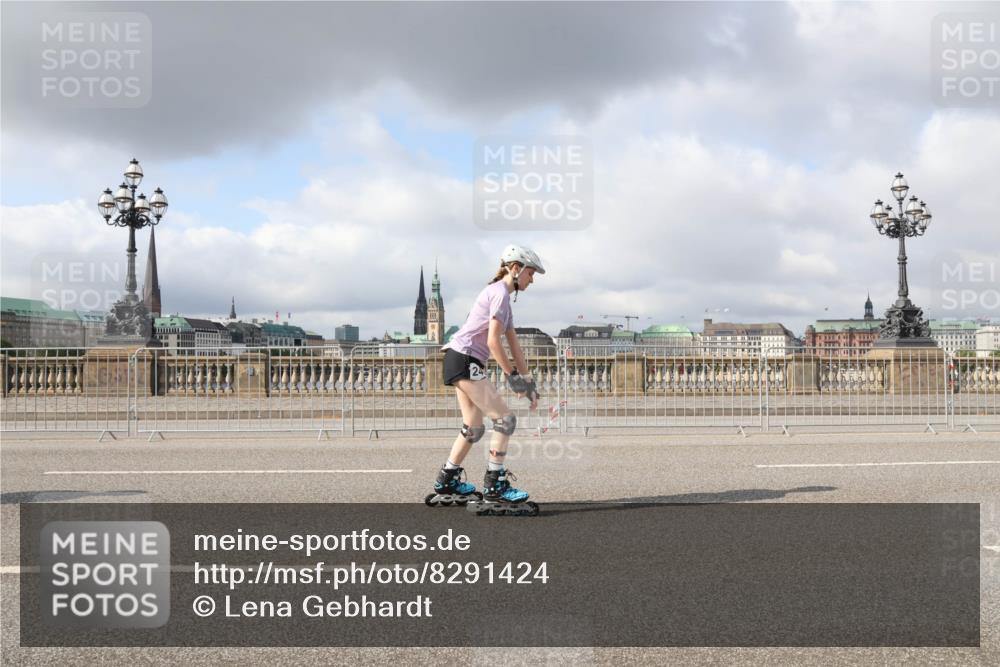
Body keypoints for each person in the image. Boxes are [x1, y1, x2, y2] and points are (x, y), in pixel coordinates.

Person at [428, 244, 544, 509]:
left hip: (458, 358)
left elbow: (514, 345)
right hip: (466, 358)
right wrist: (513, 378)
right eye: (531, 273)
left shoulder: (501, 297)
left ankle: (447, 479)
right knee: (505, 420)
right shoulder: (499, 294)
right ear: (515, 268)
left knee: (474, 426)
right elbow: (493, 342)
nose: (532, 279)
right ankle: (495, 486)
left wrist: (528, 382)